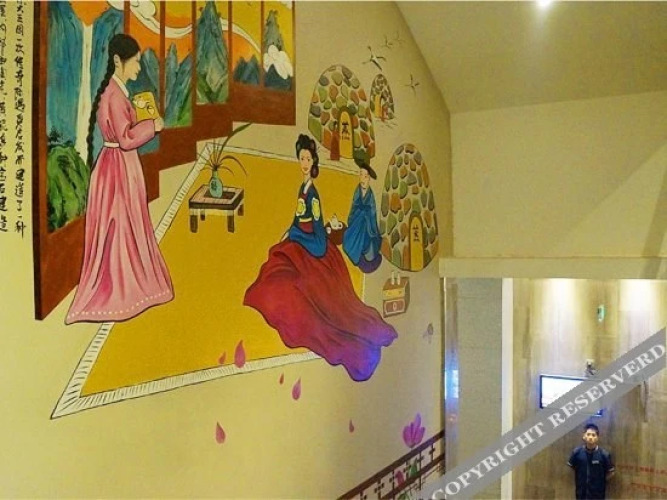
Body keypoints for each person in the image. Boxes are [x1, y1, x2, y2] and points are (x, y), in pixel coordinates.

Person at [244, 134, 397, 382]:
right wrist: (289, 231)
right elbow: (298, 217)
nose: (304, 163)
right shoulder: (302, 188)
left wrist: (297, 237)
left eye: (308, 159)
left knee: (311, 295)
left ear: (313, 161)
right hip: (299, 236)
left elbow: (315, 226)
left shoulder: (313, 194)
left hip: (311, 241)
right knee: (276, 264)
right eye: (302, 158)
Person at [66, 34, 173, 324]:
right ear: (118, 61)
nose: (138, 67)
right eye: (135, 62)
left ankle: (129, 288)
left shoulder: (116, 92)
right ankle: (121, 293)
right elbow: (125, 139)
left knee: (124, 226)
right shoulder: (114, 95)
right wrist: (152, 126)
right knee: (120, 227)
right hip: (118, 168)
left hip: (117, 165)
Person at [342, 158, 382, 273]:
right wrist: (359, 213)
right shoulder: (357, 191)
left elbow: (372, 213)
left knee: (369, 249)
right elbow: (354, 207)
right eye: (361, 175)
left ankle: (365, 255)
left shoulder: (370, 194)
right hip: (357, 223)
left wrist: (366, 214)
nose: (363, 179)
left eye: (365, 176)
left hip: (367, 228)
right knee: (348, 241)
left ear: (369, 178)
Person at [567, 423, 615, 499]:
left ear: (597, 437)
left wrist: (599, 481)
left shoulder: (604, 455)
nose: (590, 437)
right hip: (581, 493)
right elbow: (572, 468)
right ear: (584, 436)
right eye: (588, 434)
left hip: (597, 494)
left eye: (593, 435)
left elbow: (611, 472)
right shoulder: (577, 453)